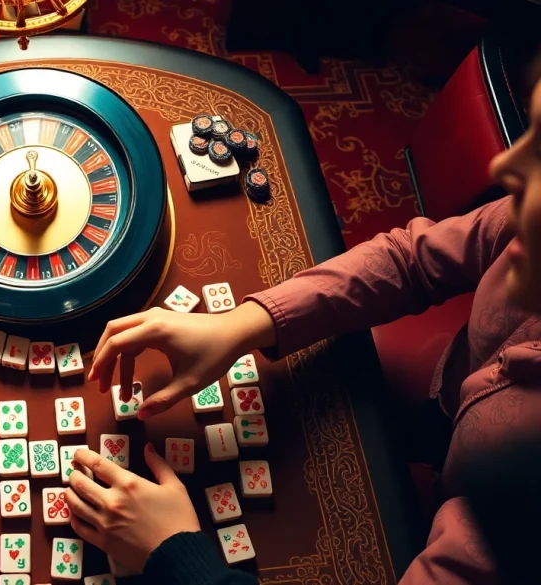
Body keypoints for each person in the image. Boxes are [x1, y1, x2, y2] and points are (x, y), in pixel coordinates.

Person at [68, 46, 541, 585]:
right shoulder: (530, 225)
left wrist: (175, 554)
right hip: (452, 401)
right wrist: (239, 325)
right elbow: (413, 260)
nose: (504, 164)